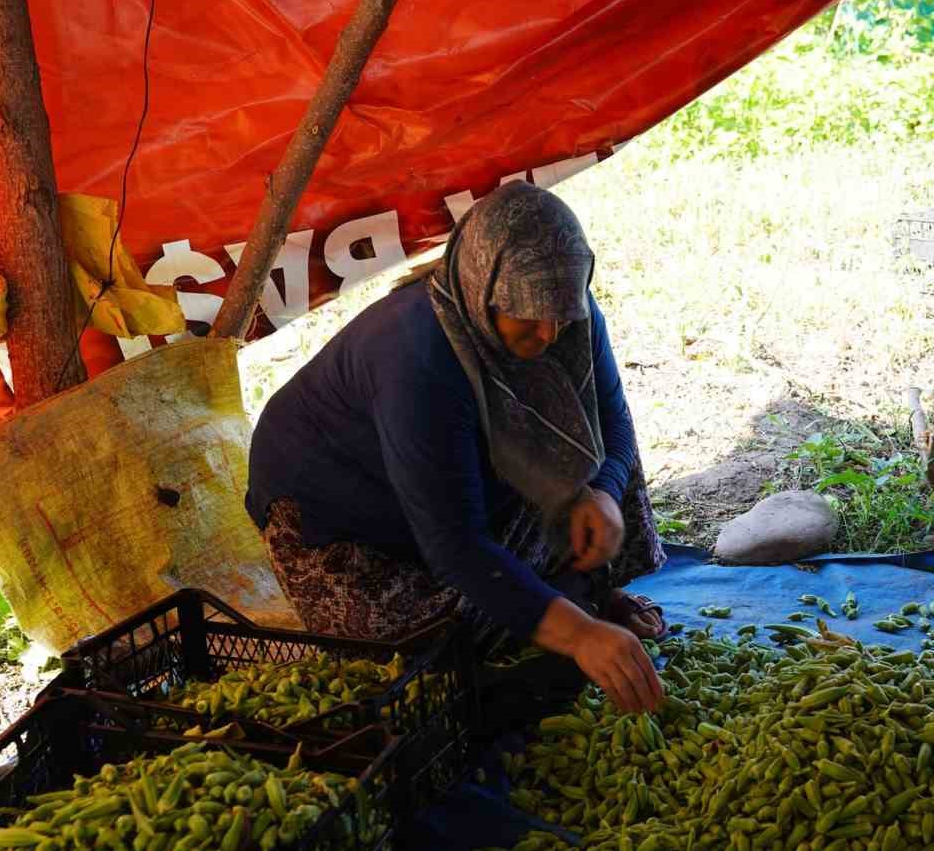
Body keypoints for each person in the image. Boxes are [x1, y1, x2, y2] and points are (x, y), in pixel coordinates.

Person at [245, 181, 666, 713]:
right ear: (480, 288)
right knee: (427, 658)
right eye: (528, 315)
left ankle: (576, 595)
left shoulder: (568, 317)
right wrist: (580, 634)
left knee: (597, 483)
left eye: (563, 311)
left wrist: (602, 494)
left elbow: (615, 424)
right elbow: (454, 544)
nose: (549, 332)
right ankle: (564, 606)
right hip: (345, 526)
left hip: (458, 479)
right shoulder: (415, 354)